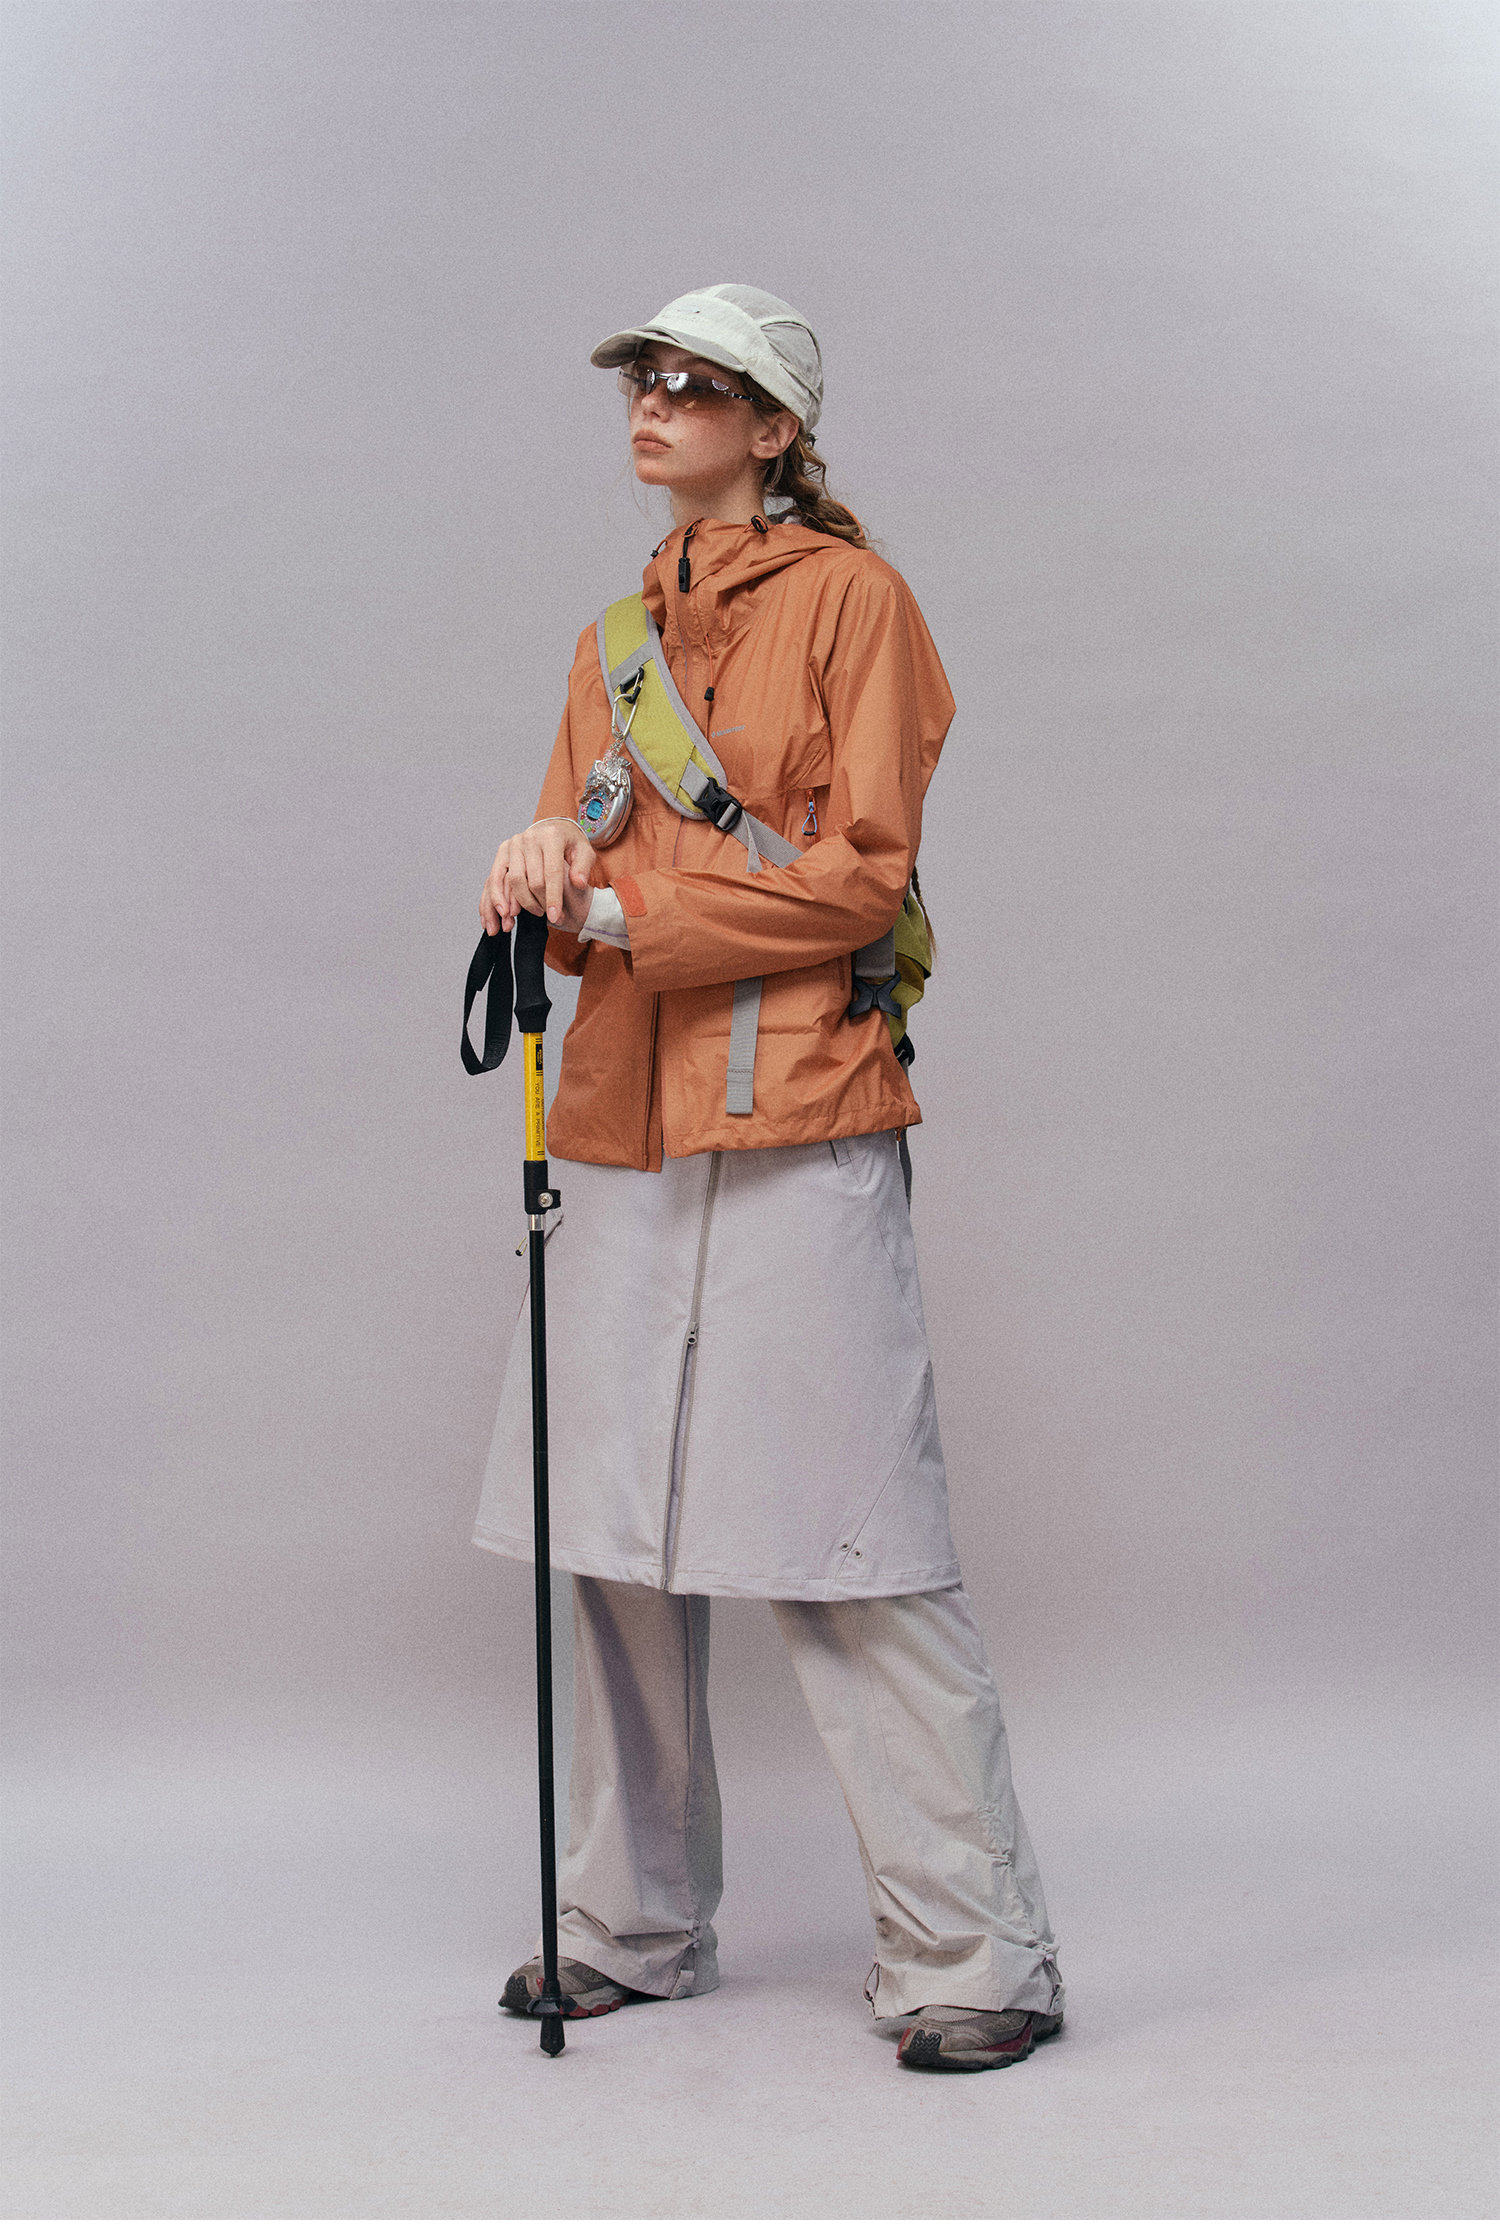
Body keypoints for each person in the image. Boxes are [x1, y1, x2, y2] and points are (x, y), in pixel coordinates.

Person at [472, 285, 1063, 2072]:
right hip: (625, 1120)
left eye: (692, 383)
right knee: (611, 1542)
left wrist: (622, 907)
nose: (650, 405)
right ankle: (629, 1926)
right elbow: (585, 880)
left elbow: (859, 876)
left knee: (848, 1535)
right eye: (640, 381)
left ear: (775, 426)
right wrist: (536, 866)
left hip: (802, 1106)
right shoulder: (613, 640)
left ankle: (976, 1958)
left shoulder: (858, 603)